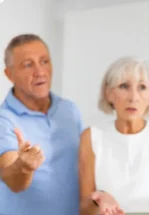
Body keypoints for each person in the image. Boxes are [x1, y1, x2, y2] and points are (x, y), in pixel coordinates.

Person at [78, 56, 149, 215]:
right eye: (124, 86)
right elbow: (85, 210)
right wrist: (99, 197)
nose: (133, 97)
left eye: (142, 87)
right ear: (108, 94)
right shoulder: (92, 137)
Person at [0, 34, 83, 215]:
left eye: (44, 61)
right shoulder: (3, 120)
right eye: (28, 65)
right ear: (9, 74)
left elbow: (85, 166)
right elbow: (12, 181)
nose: (40, 71)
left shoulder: (70, 110)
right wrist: (24, 166)